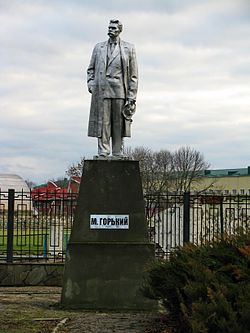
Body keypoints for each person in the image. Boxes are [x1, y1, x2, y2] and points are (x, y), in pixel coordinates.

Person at [87, 19, 138, 158]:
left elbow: (133, 75)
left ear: (119, 30)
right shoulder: (98, 47)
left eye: (113, 28)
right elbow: (90, 69)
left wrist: (132, 96)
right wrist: (91, 83)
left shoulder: (129, 48)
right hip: (101, 90)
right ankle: (103, 151)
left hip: (120, 90)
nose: (110, 30)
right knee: (103, 122)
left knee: (118, 124)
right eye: (109, 28)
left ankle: (117, 152)